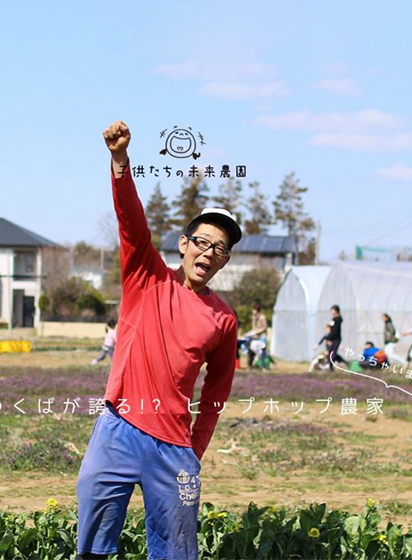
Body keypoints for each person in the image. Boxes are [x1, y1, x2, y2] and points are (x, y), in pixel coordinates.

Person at [76, 121, 240, 560]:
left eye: (220, 248)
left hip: (174, 448)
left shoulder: (223, 318)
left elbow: (218, 390)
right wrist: (120, 163)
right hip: (119, 429)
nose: (209, 253)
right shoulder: (145, 276)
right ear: (184, 245)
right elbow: (131, 223)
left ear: (225, 261)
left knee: (177, 553)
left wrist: (196, 447)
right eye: (202, 242)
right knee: (93, 539)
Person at [243, 303, 268, 369]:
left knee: (262, 353)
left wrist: (256, 332)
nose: (253, 311)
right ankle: (251, 365)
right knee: (251, 350)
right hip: (255, 337)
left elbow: (265, 328)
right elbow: (254, 328)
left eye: (254, 310)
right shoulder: (253, 317)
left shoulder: (262, 317)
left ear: (257, 310)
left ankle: (263, 367)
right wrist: (248, 333)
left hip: (262, 337)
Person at [323, 304, 347, 369]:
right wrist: (327, 338)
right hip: (332, 338)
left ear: (336, 311)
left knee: (332, 352)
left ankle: (329, 364)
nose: (331, 312)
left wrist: (328, 338)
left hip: (335, 339)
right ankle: (342, 362)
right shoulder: (333, 319)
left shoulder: (337, 320)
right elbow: (329, 328)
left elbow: (335, 331)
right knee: (330, 352)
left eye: (332, 310)